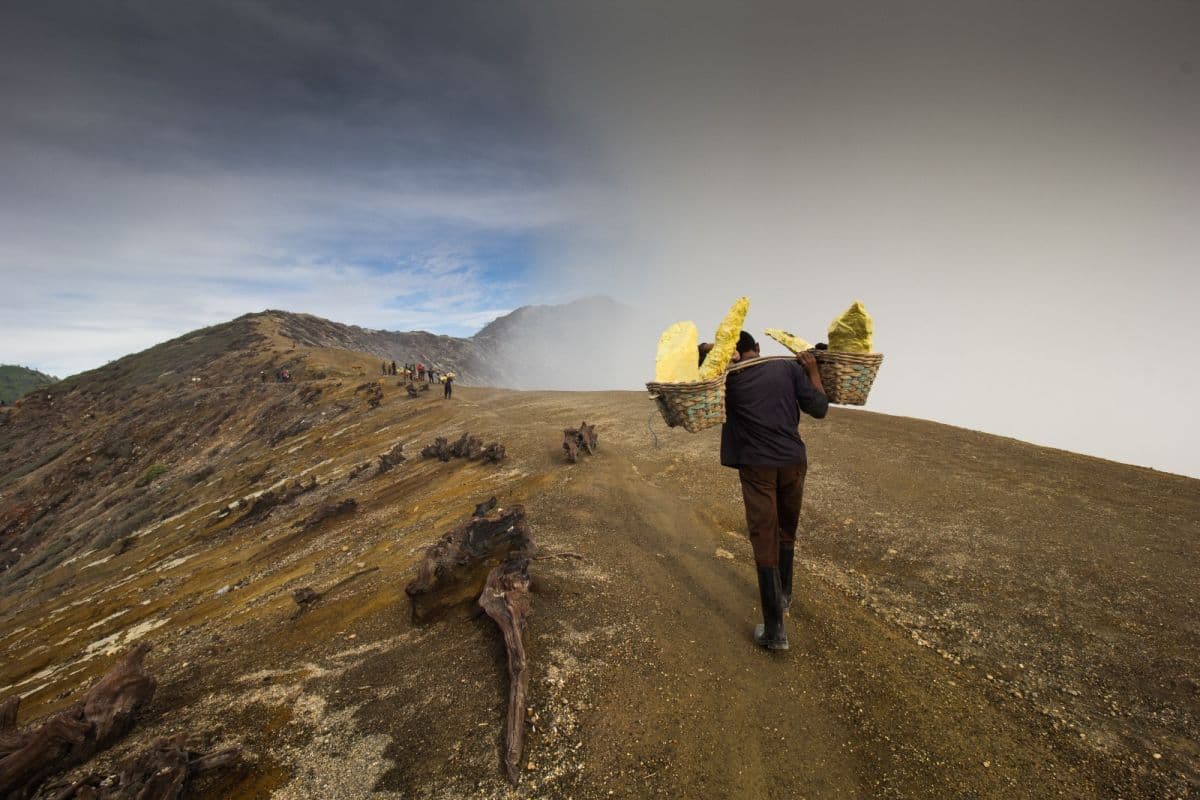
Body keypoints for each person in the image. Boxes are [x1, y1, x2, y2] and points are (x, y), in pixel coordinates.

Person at [721, 331, 827, 651]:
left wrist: (715, 353)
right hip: (793, 462)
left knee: (764, 536)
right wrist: (812, 371)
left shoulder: (727, 380)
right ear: (758, 348)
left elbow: (694, 370)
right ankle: (784, 595)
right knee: (786, 529)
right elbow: (819, 408)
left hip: (757, 467)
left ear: (735, 353)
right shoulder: (788, 368)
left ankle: (775, 630)